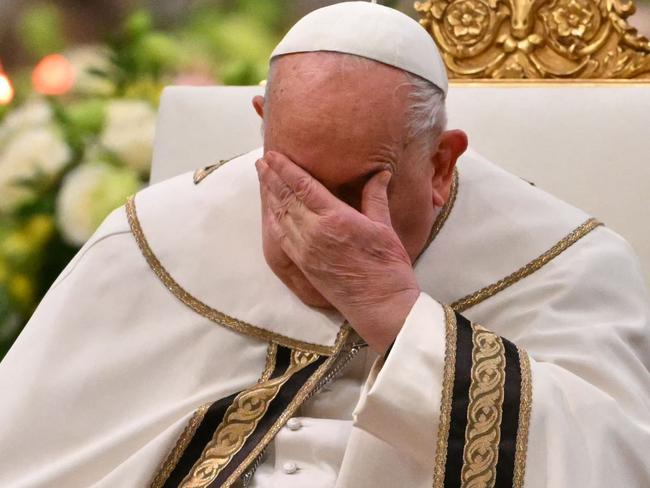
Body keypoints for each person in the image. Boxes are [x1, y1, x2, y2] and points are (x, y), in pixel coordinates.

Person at [1, 2, 649, 487]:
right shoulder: (157, 238)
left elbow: (610, 461)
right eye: (294, 181)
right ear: (262, 127)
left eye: (361, 189)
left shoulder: (561, 263)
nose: (323, 229)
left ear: (443, 164)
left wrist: (402, 321)